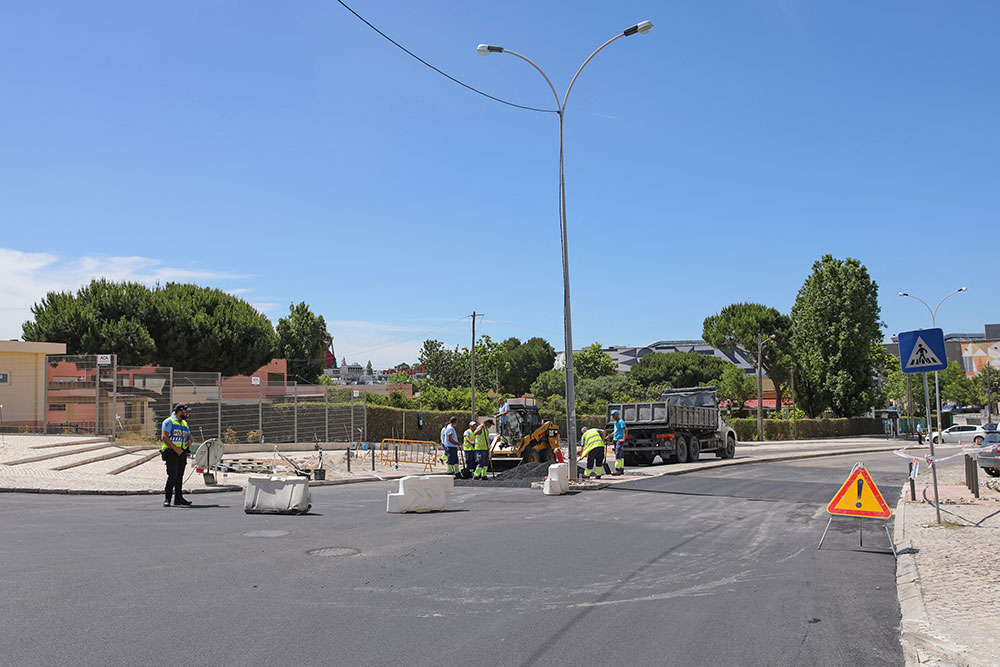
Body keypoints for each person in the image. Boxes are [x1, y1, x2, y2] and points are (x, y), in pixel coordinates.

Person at [161, 403, 193, 507]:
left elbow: (189, 435)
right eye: (185, 411)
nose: (187, 413)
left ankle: (178, 498)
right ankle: (167, 498)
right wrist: (176, 449)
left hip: (182, 452)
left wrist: (189, 440)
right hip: (171, 452)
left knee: (180, 476)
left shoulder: (184, 423)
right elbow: (164, 437)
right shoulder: (168, 421)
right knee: (172, 475)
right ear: (180, 411)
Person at [611, 408, 628, 476]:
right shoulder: (615, 422)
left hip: (619, 440)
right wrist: (609, 436)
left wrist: (624, 438)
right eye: (612, 415)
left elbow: (626, 429)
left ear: (617, 415)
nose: (613, 416)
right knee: (620, 454)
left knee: (618, 453)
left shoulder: (621, 421)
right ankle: (621, 469)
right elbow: (615, 431)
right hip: (616, 439)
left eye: (614, 415)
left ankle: (618, 470)